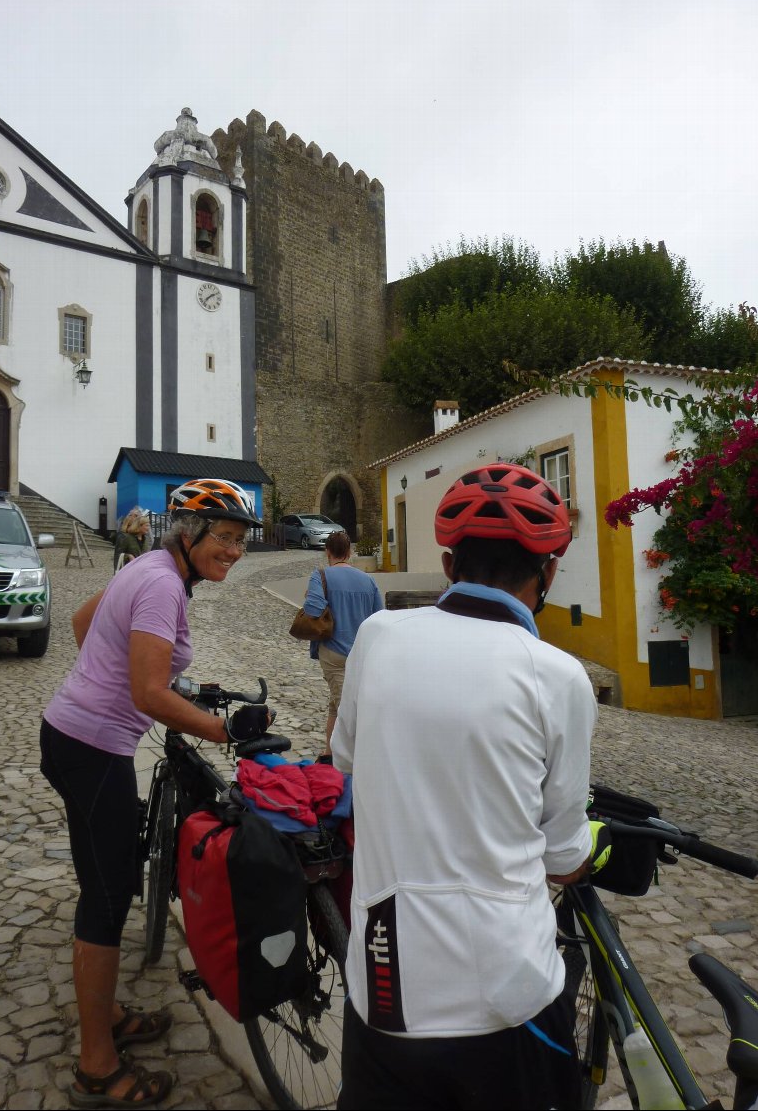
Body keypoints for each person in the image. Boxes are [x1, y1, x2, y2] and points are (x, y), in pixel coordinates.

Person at [331, 463, 600, 1110]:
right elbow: (563, 858)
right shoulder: (557, 676)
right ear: (549, 574)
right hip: (502, 998)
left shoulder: (378, 636)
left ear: (448, 566)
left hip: (384, 987)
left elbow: (344, 756)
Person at [40, 478, 273, 1109]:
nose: (235, 551)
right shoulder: (162, 582)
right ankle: (96, 1066)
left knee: (104, 880)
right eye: (224, 538)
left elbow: (84, 620)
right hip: (92, 749)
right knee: (108, 897)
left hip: (74, 734)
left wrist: (104, 680)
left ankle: (105, 1012)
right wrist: (223, 729)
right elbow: (148, 695)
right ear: (190, 533)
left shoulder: (147, 565)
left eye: (240, 540)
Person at [298, 530, 383, 760]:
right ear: (350, 552)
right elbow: (379, 616)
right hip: (361, 654)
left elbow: (314, 610)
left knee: (346, 709)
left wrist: (310, 597)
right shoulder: (368, 580)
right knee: (337, 703)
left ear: (328, 552)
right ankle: (329, 754)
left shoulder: (321, 575)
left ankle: (355, 760)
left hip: (334, 652)